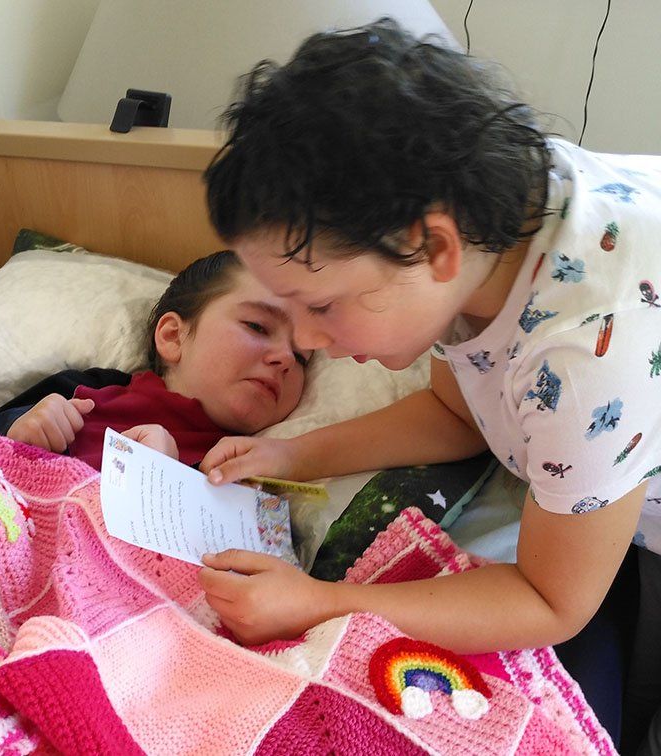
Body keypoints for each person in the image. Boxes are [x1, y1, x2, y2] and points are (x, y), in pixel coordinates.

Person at [195, 18, 661, 750]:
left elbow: (549, 599)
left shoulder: (584, 360)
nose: (311, 342)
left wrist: (318, 603)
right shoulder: (488, 227)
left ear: (431, 245)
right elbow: (458, 413)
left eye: (322, 308)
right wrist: (292, 456)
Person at [0, 250, 310, 470]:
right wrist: (21, 429)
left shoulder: (251, 475)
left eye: (301, 356)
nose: (284, 358)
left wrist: (162, 484)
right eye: (258, 326)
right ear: (173, 337)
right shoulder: (88, 392)